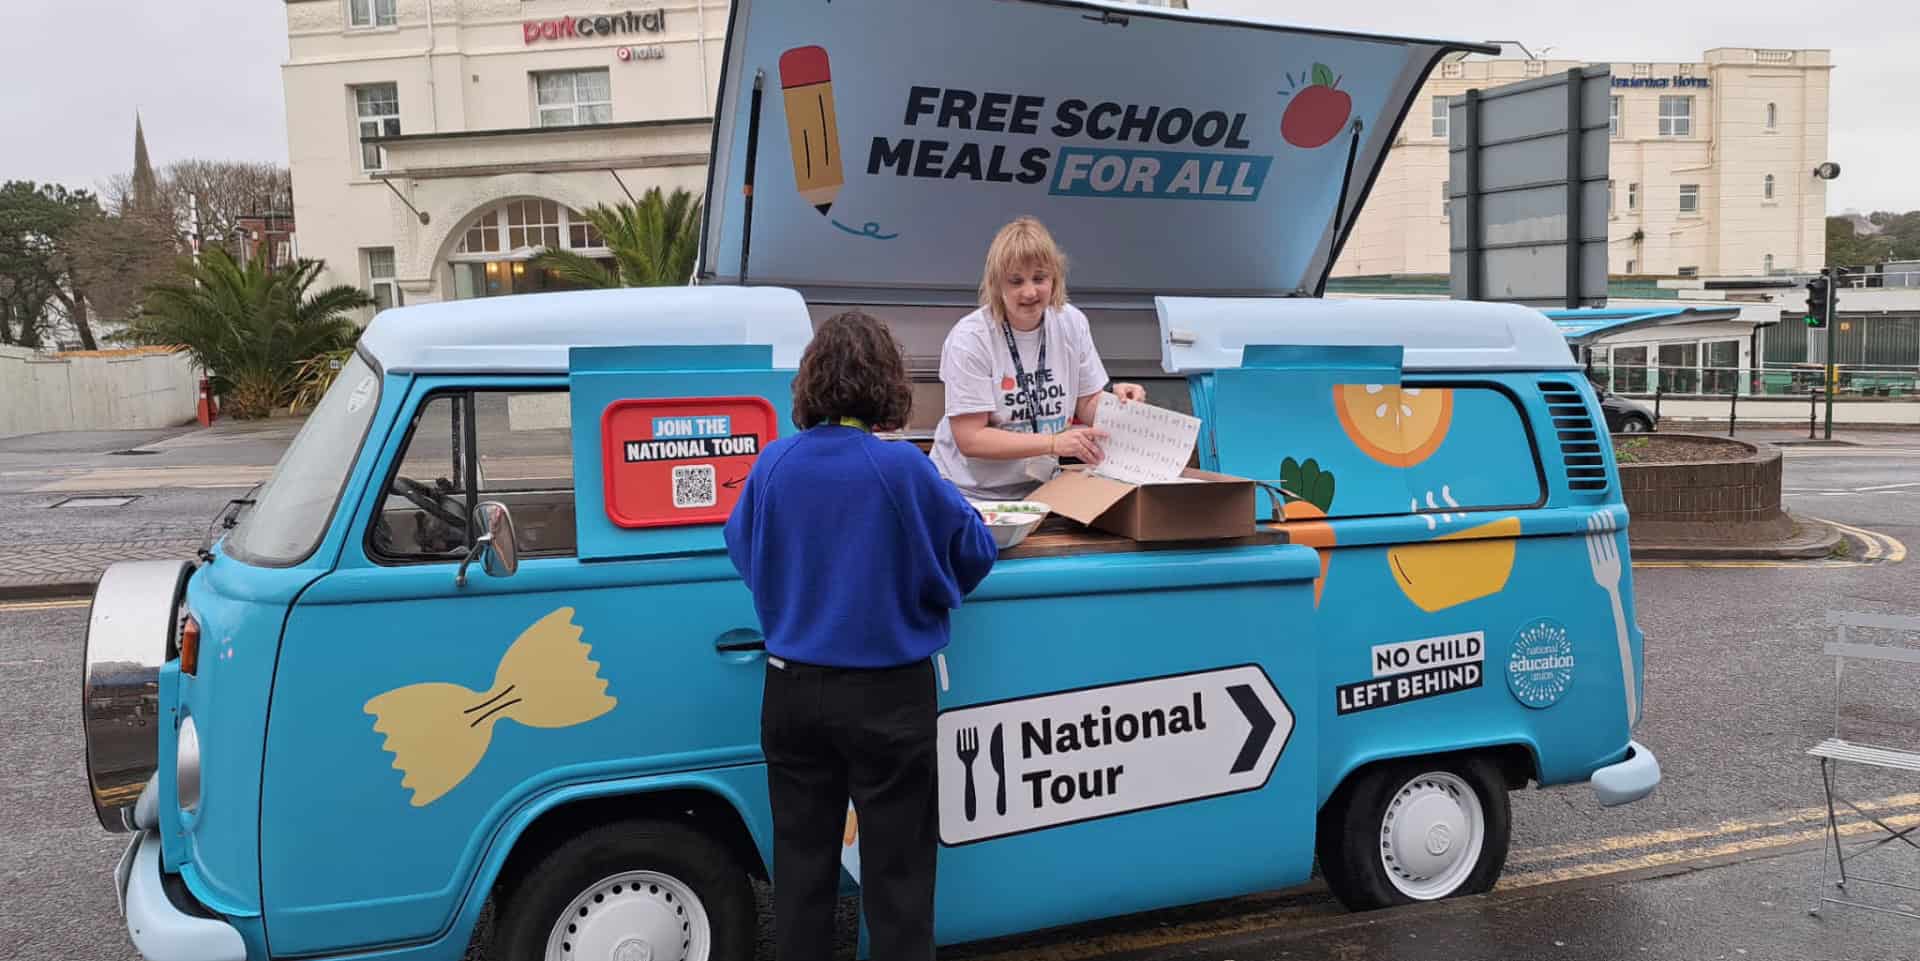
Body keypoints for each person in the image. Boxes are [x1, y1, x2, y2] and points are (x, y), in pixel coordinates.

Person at [725, 309, 998, 961]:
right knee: (897, 884)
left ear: (812, 381)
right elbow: (975, 550)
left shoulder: (772, 464)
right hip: (887, 698)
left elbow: (742, 548)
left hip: (790, 692)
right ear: (886, 383)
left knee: (800, 874)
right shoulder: (901, 467)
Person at [930, 215, 1147, 500]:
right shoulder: (971, 338)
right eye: (1016, 281)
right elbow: (971, 438)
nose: (1030, 292)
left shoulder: (1072, 323)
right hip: (968, 493)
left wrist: (1120, 404)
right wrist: (1054, 443)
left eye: (1039, 278)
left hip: (1041, 489)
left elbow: (1086, 404)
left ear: (1055, 278)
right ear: (997, 284)